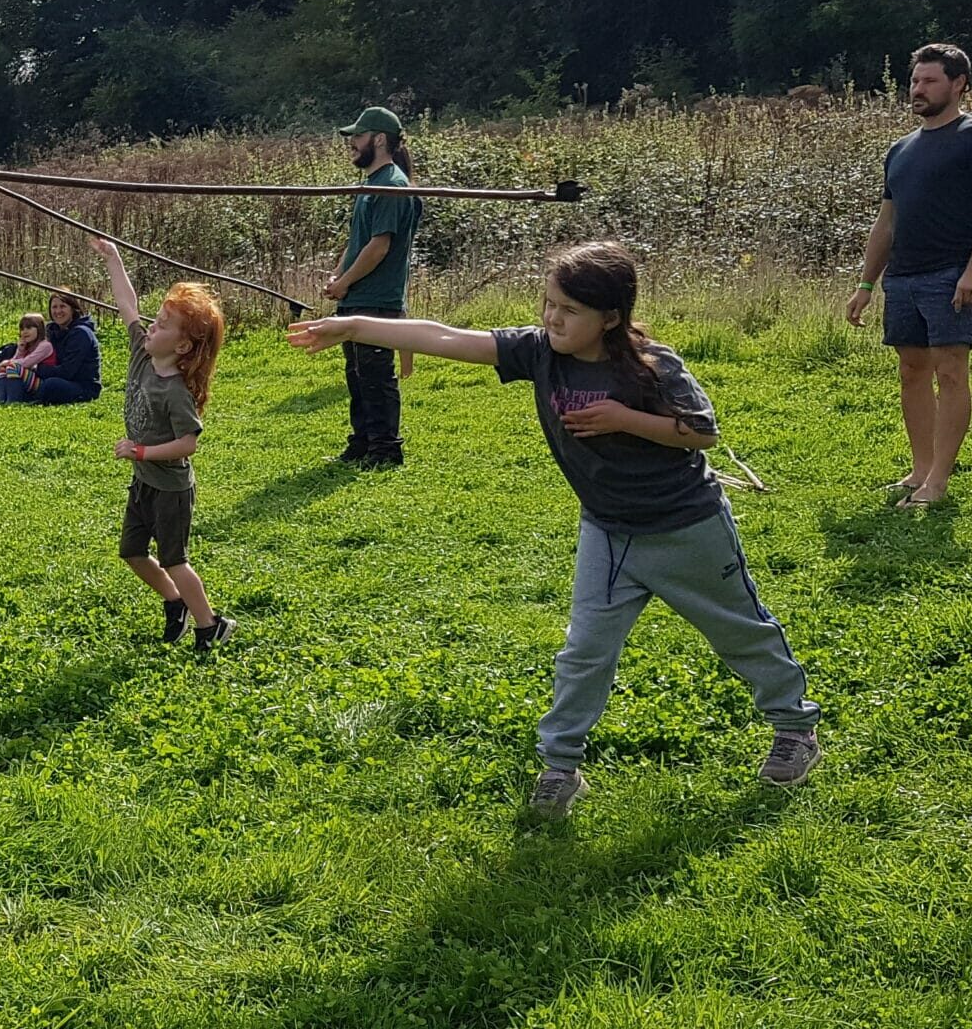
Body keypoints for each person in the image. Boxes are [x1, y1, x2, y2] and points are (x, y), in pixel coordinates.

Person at [287, 241, 822, 820]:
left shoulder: (651, 366)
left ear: (610, 317)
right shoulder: (539, 353)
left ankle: (795, 729)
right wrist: (356, 325)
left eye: (569, 310)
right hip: (608, 534)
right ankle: (560, 768)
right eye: (548, 304)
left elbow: (700, 432)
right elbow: (444, 337)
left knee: (739, 632)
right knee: (584, 653)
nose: (552, 318)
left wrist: (625, 420)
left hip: (685, 529)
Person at [846, 42, 972, 508]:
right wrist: (865, 284)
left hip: (950, 275)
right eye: (915, 81)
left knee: (951, 371)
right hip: (903, 277)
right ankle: (919, 469)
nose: (917, 89)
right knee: (911, 370)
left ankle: (938, 481)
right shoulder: (901, 149)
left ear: (958, 84)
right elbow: (887, 221)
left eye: (929, 80)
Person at [92, 240, 231, 654]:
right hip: (144, 483)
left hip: (170, 489)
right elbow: (126, 305)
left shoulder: (176, 393)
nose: (152, 326)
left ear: (183, 346)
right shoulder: (141, 353)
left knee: (175, 560)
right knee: (132, 552)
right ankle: (175, 603)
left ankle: (210, 625)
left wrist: (141, 452)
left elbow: (188, 443)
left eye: (164, 325)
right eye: (158, 319)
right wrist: (114, 259)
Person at [322, 105, 424, 467]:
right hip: (356, 296)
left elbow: (379, 247)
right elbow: (357, 241)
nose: (352, 144)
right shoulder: (371, 184)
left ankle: (386, 450)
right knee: (357, 375)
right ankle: (362, 442)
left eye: (358, 137)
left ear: (379, 139)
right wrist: (337, 277)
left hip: (377, 299)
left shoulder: (394, 187)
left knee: (377, 378)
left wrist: (346, 282)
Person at [23, 290, 103, 404]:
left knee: (51, 385)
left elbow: (67, 372)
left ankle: (33, 396)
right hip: (54, 375)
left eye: (63, 307)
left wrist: (38, 369)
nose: (58, 311)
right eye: (54, 307)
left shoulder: (81, 333)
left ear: (72, 309)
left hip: (82, 386)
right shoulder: (51, 330)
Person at [0, 313, 55, 402]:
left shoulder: (45, 346)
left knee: (12, 367)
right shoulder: (28, 346)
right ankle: (2, 399)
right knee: (3, 368)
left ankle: (13, 400)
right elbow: (15, 360)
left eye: (29, 328)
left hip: (42, 381)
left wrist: (8, 362)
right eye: (22, 329)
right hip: (29, 377)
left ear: (39, 329)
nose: (25, 331)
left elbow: (27, 363)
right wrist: (21, 350)